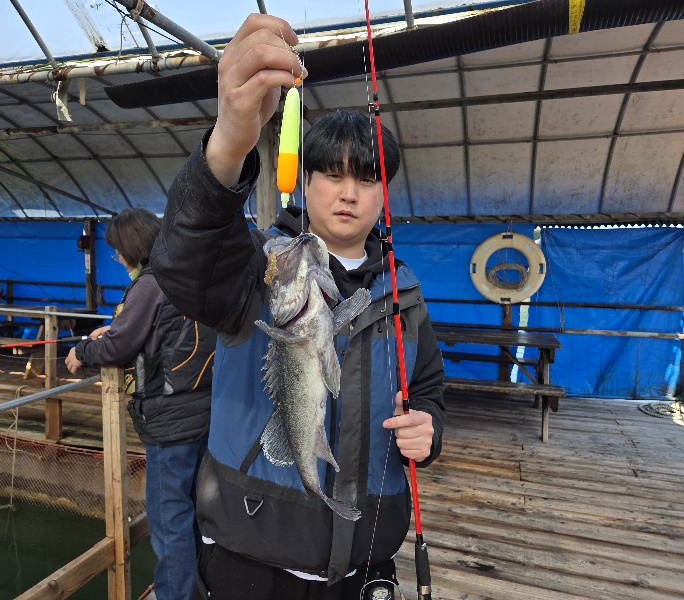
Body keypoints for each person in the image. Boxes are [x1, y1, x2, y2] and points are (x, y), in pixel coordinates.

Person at [150, 14, 445, 600]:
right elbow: (183, 262)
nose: (349, 192)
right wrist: (227, 144)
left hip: (365, 558)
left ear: (384, 194)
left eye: (367, 179)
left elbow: (430, 389)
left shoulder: (405, 294)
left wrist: (428, 431)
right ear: (304, 182)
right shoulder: (259, 265)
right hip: (249, 555)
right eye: (331, 174)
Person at [65, 208, 216, 600]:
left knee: (169, 520)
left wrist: (82, 351)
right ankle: (199, 590)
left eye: (118, 250)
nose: (116, 257)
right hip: (203, 414)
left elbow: (120, 347)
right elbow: (160, 333)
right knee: (194, 511)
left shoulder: (150, 283)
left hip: (170, 422)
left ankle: (175, 595)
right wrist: (115, 330)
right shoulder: (187, 275)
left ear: (133, 247)